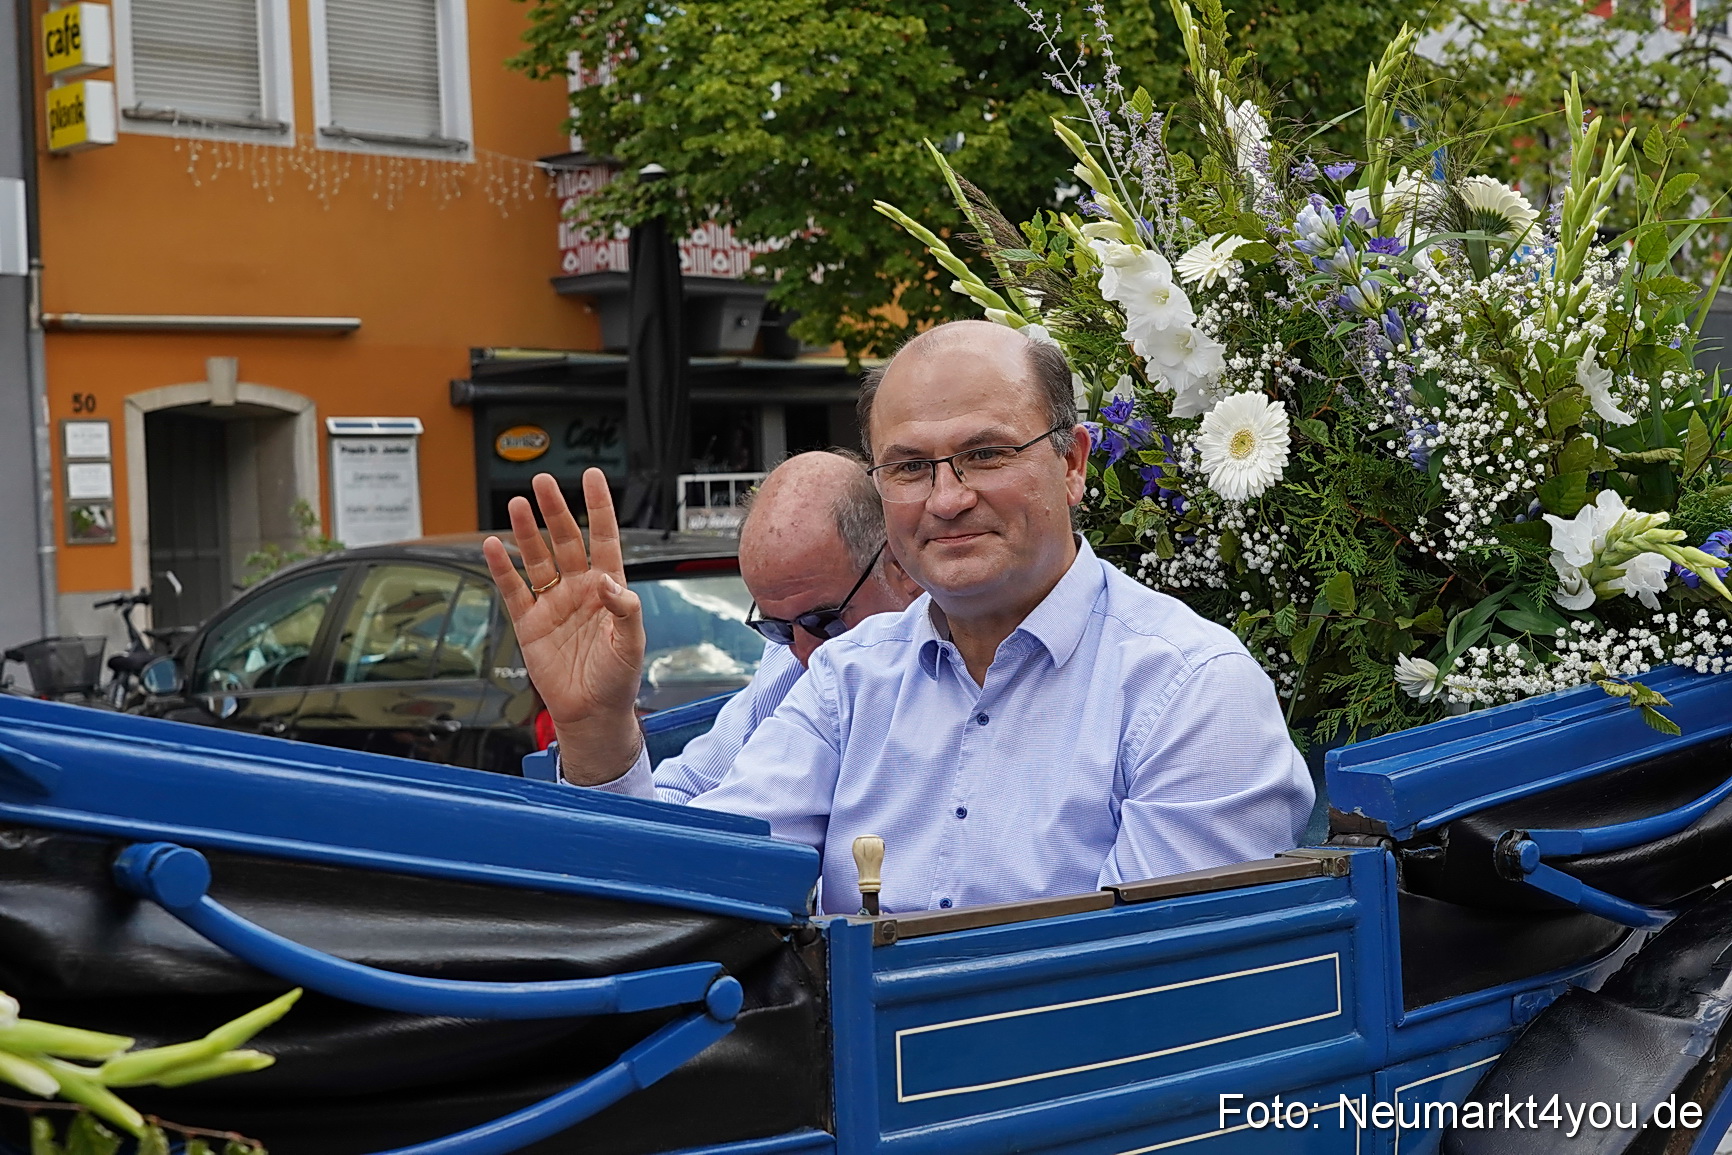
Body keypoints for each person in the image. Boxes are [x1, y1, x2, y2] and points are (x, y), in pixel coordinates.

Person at [485, 320, 1312, 914]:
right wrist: (595, 728)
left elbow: (1153, 995)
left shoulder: (1191, 690)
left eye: (985, 453)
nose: (947, 498)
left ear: (1071, 462)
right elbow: (695, 888)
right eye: (910, 467)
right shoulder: (846, 681)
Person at [517, 450, 921, 802]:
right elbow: (683, 800)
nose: (802, 652)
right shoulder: (785, 666)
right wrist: (599, 732)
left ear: (900, 567)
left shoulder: (945, 673)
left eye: (824, 621)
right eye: (777, 628)